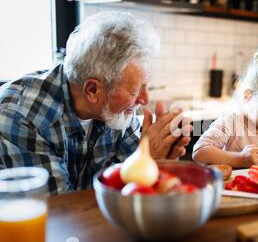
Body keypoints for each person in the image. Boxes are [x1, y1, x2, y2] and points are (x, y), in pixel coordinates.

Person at [0, 12, 191, 194]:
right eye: (135, 91)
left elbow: (130, 187)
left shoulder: (116, 111)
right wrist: (148, 158)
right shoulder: (22, 115)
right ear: (93, 90)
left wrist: (157, 165)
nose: (144, 99)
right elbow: (59, 212)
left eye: (145, 86)